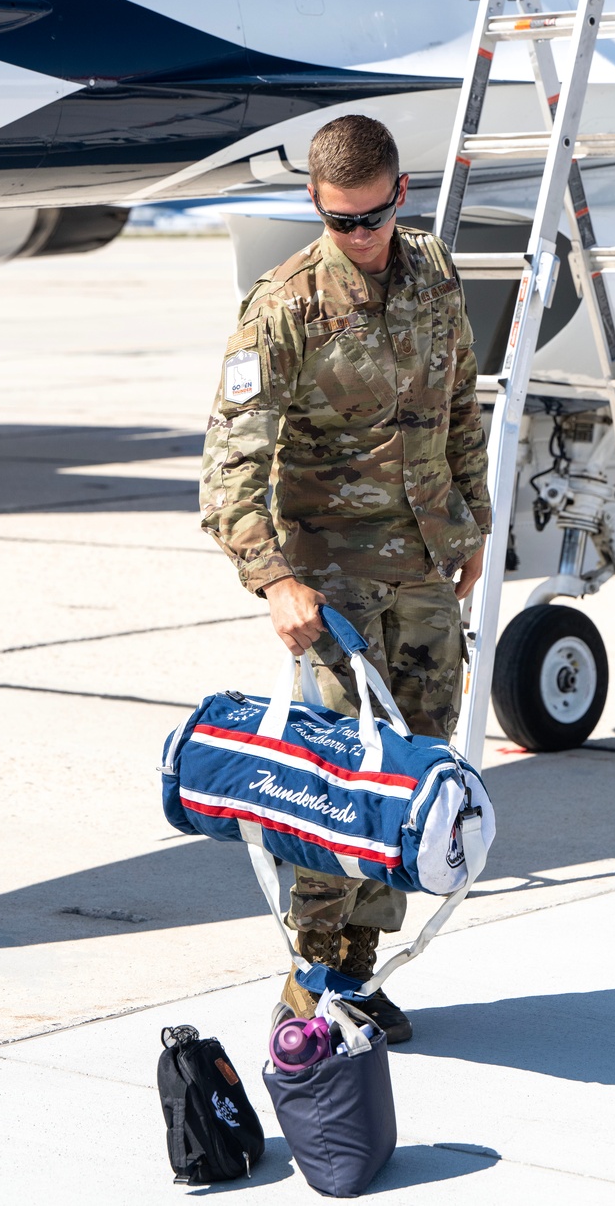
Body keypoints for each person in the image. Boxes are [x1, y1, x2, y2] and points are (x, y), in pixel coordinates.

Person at [200, 113, 491, 1043]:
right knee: (340, 782)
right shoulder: (281, 306)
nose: (359, 237)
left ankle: (359, 977)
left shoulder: (433, 270)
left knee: (417, 777)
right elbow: (229, 468)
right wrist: (273, 578)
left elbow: (458, 404)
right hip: (334, 583)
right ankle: (311, 979)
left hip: (425, 568)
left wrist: (475, 522)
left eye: (371, 217)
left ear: (399, 193)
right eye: (339, 221)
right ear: (317, 208)